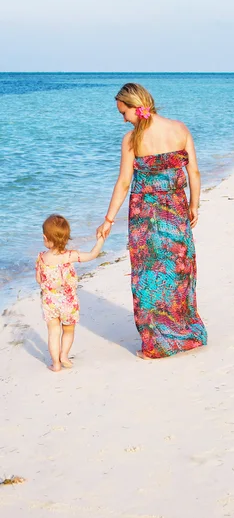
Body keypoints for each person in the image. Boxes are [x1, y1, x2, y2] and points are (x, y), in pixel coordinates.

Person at [96, 83, 207, 359]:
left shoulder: (131, 140)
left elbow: (123, 183)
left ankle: (157, 343)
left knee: (149, 276)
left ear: (136, 107)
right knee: (178, 271)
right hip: (177, 210)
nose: (123, 119)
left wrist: (109, 219)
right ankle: (186, 333)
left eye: (124, 113)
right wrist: (194, 205)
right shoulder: (179, 129)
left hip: (145, 218)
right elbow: (194, 171)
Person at [36, 214, 104, 372]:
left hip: (50, 302)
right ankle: (64, 355)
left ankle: (56, 364)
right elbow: (92, 255)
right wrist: (100, 240)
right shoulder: (70, 256)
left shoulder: (41, 258)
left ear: (45, 237)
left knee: (53, 332)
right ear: (67, 238)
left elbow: (39, 279)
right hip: (69, 302)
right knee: (68, 330)